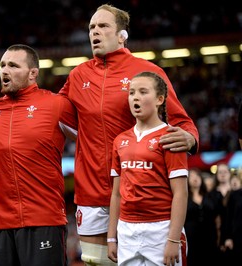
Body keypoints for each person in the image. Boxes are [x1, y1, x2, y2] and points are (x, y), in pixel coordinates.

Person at [57, 4, 199, 265]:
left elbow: (181, 121)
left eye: (103, 26)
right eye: (91, 27)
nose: (95, 32)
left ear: (122, 35)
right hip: (90, 192)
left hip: (138, 196)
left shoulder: (148, 73)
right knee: (94, 261)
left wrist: (190, 138)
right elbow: (49, 113)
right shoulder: (78, 75)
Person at [0, 44, 77, 266]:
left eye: (13, 65)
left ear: (33, 73)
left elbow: (93, 140)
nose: (4, 70)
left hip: (44, 220)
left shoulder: (56, 105)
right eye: (2, 65)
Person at [107, 71, 188, 266]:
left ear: (160, 99)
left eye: (143, 92)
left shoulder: (171, 137)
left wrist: (173, 239)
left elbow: (181, 193)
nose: (135, 97)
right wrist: (112, 237)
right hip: (126, 230)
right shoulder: (120, 141)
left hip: (161, 229)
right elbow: (116, 194)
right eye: (132, 92)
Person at [184, 168, 221, 266]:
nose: (195, 178)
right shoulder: (184, 197)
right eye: (191, 176)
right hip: (191, 237)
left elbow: (217, 217)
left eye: (197, 175)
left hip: (209, 235)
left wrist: (218, 235)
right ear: (187, 180)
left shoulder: (209, 196)